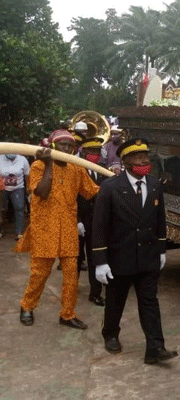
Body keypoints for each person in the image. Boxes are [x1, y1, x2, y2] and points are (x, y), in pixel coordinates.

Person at [92, 138, 178, 364]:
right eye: (138, 157)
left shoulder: (154, 184)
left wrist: (161, 249)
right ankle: (110, 334)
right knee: (115, 301)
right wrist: (100, 260)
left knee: (150, 302)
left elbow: (160, 219)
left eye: (146, 157)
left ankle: (155, 348)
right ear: (126, 161)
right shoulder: (110, 187)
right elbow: (99, 226)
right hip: (120, 257)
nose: (144, 161)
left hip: (148, 256)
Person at [17, 130, 99, 329]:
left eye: (70, 146)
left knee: (72, 275)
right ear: (53, 146)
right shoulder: (37, 166)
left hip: (69, 230)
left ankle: (67, 314)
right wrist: (47, 165)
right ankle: (27, 306)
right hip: (45, 230)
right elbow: (42, 192)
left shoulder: (77, 168)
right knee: (39, 274)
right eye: (62, 144)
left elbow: (92, 192)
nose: (66, 148)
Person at [77, 137, 108, 305]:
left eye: (96, 152)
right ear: (83, 152)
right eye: (91, 152)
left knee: (95, 257)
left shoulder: (103, 170)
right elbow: (71, 197)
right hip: (80, 221)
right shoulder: (76, 168)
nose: (94, 155)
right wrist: (77, 220)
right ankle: (71, 288)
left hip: (96, 222)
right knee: (74, 259)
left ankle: (95, 293)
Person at [0, 153, 30, 238]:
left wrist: (28, 187)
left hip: (18, 187)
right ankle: (1, 230)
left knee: (19, 208)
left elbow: (27, 174)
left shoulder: (22, 159)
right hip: (3, 188)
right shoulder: (0, 159)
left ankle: (19, 232)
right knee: (2, 209)